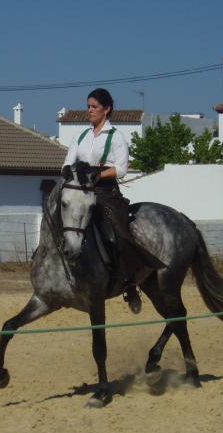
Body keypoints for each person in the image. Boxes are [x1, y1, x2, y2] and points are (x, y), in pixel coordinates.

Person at [61, 88, 163, 313]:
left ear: (106, 109)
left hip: (106, 194)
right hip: (81, 191)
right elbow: (67, 162)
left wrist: (99, 174)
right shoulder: (80, 136)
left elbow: (122, 168)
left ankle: (129, 281)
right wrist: (68, 171)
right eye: (88, 106)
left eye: (94, 107)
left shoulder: (116, 136)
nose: (89, 110)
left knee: (117, 231)